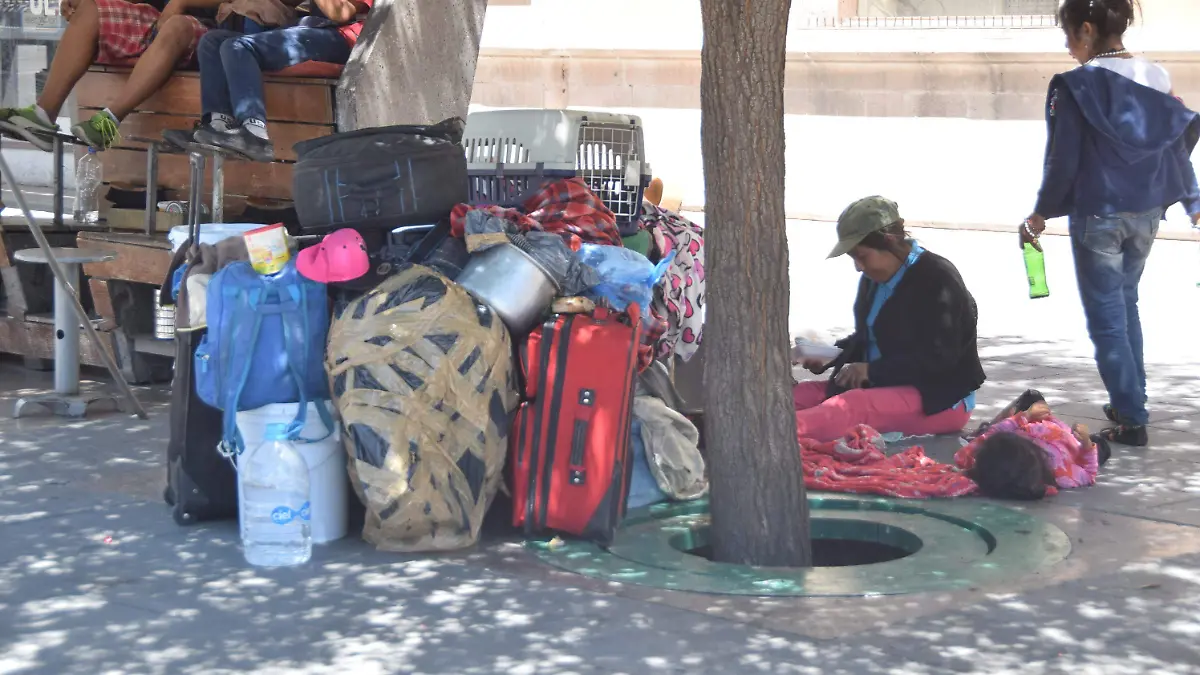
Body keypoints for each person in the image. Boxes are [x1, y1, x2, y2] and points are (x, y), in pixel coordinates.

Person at [1020, 0, 1200, 447]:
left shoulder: (1076, 86)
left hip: (1098, 214)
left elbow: (1064, 158)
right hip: (1145, 213)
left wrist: (1041, 211)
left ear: (1085, 30)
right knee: (1126, 304)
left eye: (1068, 36)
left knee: (1107, 320)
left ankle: (1131, 417)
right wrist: (1192, 200)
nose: (1067, 47)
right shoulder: (1155, 75)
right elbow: (1172, 143)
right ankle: (1129, 401)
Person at [793, 196, 986, 442]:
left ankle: (768, 438)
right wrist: (829, 356)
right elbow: (868, 339)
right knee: (798, 396)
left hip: (939, 399)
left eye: (862, 256)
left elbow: (940, 359)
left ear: (891, 241)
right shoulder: (872, 280)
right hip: (881, 388)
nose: (858, 268)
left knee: (850, 407)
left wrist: (871, 371)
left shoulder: (938, 278)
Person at [0, 0, 217, 151]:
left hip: (205, 32)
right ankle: (43, 116)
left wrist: (181, 1)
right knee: (90, 9)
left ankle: (108, 123)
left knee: (176, 25)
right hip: (155, 19)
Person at [173, 0, 371, 162]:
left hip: (342, 38)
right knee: (213, 41)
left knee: (237, 46)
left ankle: (254, 134)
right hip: (310, 27)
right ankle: (218, 125)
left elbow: (341, 11)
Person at [956, 390, 1111, 500]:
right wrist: (1087, 444)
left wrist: (1024, 416)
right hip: (1070, 443)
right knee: (1101, 445)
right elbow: (1090, 473)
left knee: (1032, 397)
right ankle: (1094, 440)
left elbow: (968, 451)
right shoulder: (1062, 475)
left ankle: (987, 429)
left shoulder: (987, 458)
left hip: (1037, 424)